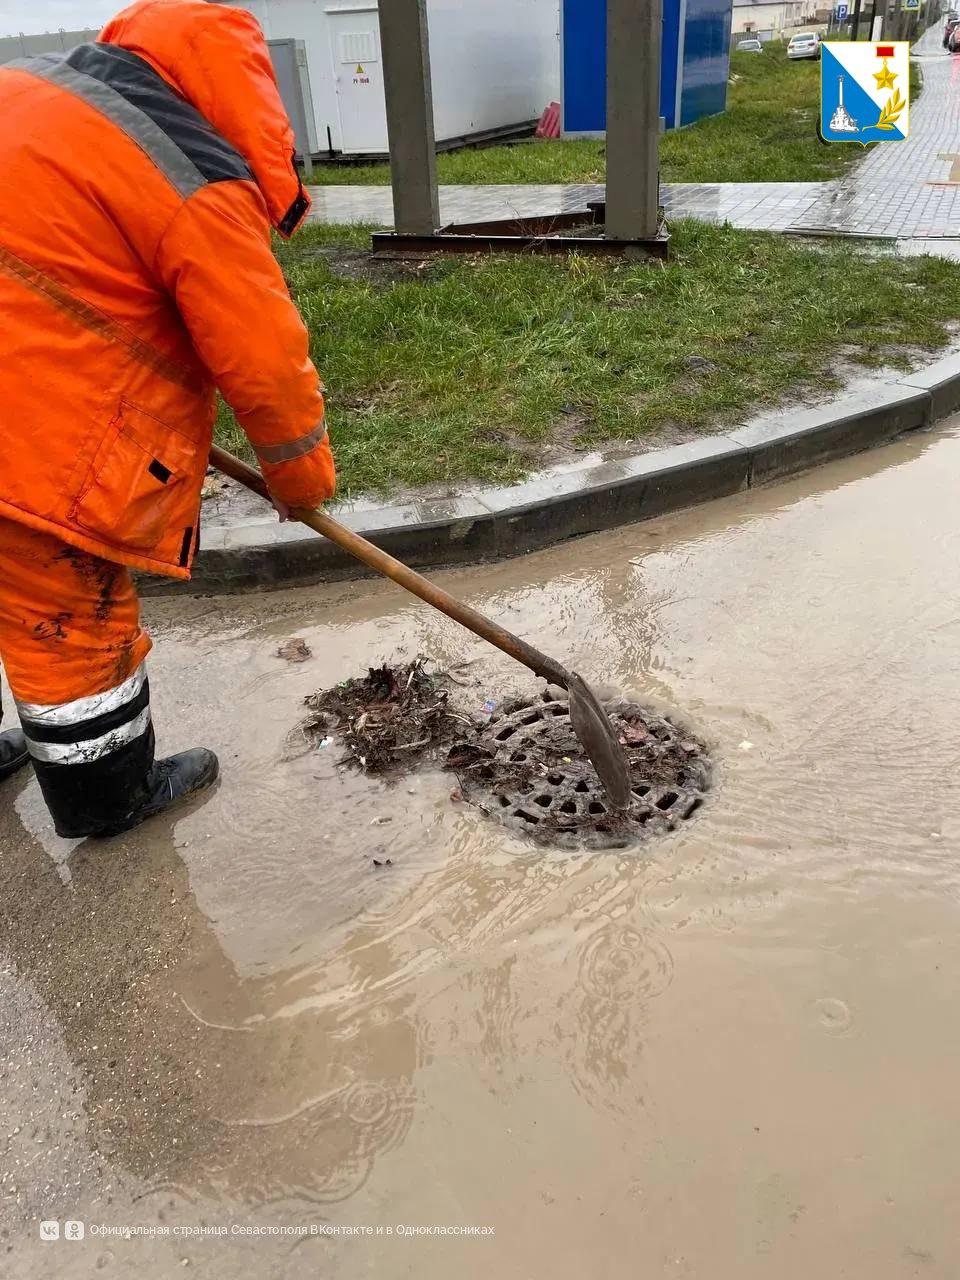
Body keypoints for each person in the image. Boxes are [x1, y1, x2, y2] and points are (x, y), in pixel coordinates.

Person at [0, 0, 336, 838]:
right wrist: (300, 477)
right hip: (25, 439)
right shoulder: (190, 173)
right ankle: (105, 797)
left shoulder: (24, 90)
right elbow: (262, 355)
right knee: (67, 614)